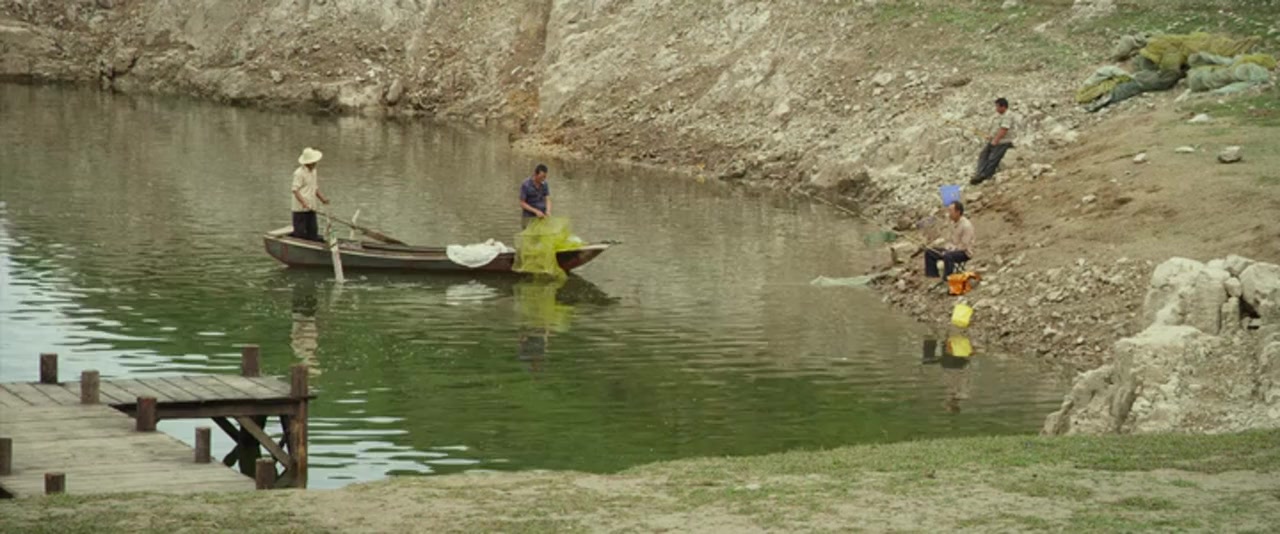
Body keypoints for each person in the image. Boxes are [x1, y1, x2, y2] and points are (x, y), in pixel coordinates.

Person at [971, 97, 1016, 185]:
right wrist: (991, 137)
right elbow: (997, 129)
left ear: (1003, 107)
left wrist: (995, 140)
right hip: (995, 140)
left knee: (993, 158)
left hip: (1003, 142)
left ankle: (986, 175)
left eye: (997, 107)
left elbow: (1004, 129)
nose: (996, 109)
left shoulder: (1008, 115)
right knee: (983, 155)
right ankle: (979, 173)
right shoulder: (999, 116)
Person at [924, 201, 974, 279]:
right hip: (951, 249)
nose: (949, 213)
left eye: (951, 211)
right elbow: (949, 239)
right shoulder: (952, 223)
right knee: (930, 251)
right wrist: (948, 247)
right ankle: (933, 276)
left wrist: (951, 250)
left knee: (948, 256)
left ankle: (948, 277)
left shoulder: (966, 226)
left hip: (964, 252)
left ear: (958, 212)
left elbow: (964, 245)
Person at [291, 147, 330, 242]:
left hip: (311, 207)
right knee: (300, 234)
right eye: (313, 162)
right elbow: (295, 190)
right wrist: (303, 203)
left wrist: (322, 199)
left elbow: (314, 187)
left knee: (313, 232)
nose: (315, 163)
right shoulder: (299, 173)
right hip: (300, 210)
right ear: (308, 162)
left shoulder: (314, 171)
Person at [519, 163, 551, 229]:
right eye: (541, 177)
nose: (543, 179)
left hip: (542, 216)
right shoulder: (526, 185)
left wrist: (548, 211)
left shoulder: (545, 184)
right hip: (529, 217)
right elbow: (522, 203)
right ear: (535, 174)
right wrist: (536, 211)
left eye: (545, 177)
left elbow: (548, 199)